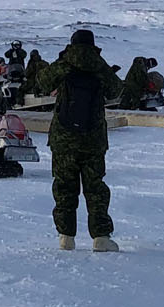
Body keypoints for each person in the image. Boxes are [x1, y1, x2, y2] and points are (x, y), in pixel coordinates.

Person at [39, 29, 123, 251]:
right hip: (93, 139)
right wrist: (99, 65)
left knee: (64, 186)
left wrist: (63, 61)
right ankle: (101, 238)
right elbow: (116, 90)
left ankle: (66, 236)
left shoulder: (65, 63)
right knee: (95, 188)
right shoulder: (98, 64)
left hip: (64, 138)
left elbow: (42, 82)